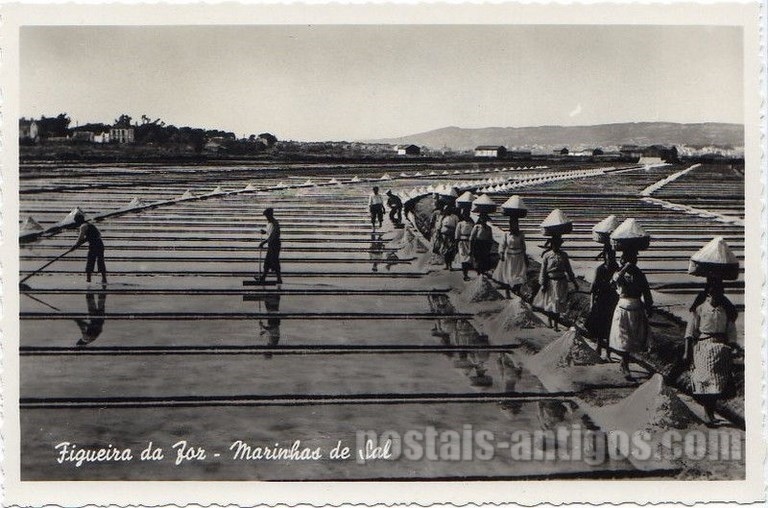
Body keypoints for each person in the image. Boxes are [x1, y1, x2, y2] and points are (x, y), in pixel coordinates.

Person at [684, 278, 738, 426]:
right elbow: (690, 332)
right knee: (706, 382)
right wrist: (686, 352)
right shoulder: (700, 309)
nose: (716, 295)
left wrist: (733, 346)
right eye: (713, 293)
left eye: (719, 293)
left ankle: (710, 411)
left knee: (717, 384)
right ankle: (708, 413)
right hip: (703, 347)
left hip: (721, 349)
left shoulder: (726, 311)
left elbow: (731, 331)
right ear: (708, 293)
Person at [608, 250, 653, 380]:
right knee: (624, 337)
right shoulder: (620, 273)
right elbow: (614, 282)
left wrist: (649, 306)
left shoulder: (639, 274)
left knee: (634, 337)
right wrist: (625, 268)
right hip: (623, 306)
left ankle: (625, 361)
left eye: (633, 260)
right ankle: (624, 363)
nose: (633, 262)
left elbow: (646, 291)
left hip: (637, 306)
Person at [533, 236, 577, 332]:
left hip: (561, 282)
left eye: (558, 245)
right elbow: (543, 270)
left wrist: (574, 281)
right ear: (551, 245)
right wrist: (543, 283)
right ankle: (549, 320)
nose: (556, 247)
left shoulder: (564, 255)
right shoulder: (547, 255)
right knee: (550, 302)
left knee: (558, 302)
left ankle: (556, 324)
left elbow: (569, 269)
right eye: (554, 245)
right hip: (550, 281)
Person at [585, 248, 620, 359]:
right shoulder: (600, 269)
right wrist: (591, 303)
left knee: (610, 326)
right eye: (608, 258)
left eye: (612, 257)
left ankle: (608, 353)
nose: (610, 260)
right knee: (600, 326)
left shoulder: (617, 268)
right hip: (601, 299)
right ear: (605, 258)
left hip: (613, 300)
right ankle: (599, 347)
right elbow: (593, 288)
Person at [493, 217, 528, 298]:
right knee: (508, 274)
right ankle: (507, 291)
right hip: (509, 257)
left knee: (518, 274)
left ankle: (518, 291)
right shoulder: (506, 234)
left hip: (519, 257)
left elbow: (523, 246)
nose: (513, 226)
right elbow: (502, 245)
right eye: (512, 225)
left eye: (515, 224)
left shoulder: (521, 234)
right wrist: (501, 253)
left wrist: (525, 255)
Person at [73, 212, 107, 284]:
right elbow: (96, 235)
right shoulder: (90, 225)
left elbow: (81, 238)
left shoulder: (83, 226)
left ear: (78, 221)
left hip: (94, 245)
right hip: (100, 244)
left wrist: (75, 245)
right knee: (100, 261)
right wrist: (84, 240)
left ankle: (88, 279)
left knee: (90, 261)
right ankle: (104, 278)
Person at [257, 208, 282, 284]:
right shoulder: (269, 223)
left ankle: (277, 278)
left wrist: (264, 242)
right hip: (271, 245)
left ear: (270, 215)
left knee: (274, 261)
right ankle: (264, 278)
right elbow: (269, 233)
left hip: (275, 245)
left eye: (267, 216)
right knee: (268, 261)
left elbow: (273, 236)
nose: (266, 217)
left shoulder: (275, 223)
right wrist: (265, 232)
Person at [454, 208, 475, 281]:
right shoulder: (460, 224)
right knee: (463, 259)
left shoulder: (472, 223)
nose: (466, 216)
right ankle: (465, 274)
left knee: (468, 259)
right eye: (465, 214)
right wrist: (456, 245)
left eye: (467, 214)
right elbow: (457, 235)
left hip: (469, 242)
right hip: (462, 243)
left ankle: (467, 272)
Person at [437, 205, 459, 270]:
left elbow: (457, 226)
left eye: (448, 209)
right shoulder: (442, 217)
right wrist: (438, 234)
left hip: (451, 235)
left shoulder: (455, 217)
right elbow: (439, 226)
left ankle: (450, 265)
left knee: (451, 250)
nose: (447, 211)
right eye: (446, 210)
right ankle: (446, 265)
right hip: (444, 235)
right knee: (445, 250)